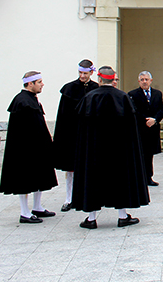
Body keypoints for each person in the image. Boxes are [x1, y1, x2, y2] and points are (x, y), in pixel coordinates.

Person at [72, 66, 149, 229]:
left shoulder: (89, 98)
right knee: (120, 179)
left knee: (92, 180)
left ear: (99, 79)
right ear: (113, 79)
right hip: (118, 150)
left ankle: (91, 219)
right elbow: (131, 128)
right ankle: (122, 216)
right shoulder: (123, 97)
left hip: (93, 150)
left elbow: (81, 128)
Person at [0, 71, 58, 224]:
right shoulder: (22, 101)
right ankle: (25, 212)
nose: (42, 84)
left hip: (37, 147)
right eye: (39, 82)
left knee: (39, 176)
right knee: (24, 180)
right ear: (30, 84)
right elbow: (23, 131)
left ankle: (37, 207)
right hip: (25, 150)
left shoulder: (31, 99)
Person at [52, 60, 98, 212]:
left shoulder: (95, 88)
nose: (82, 76)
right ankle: (69, 198)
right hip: (72, 134)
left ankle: (89, 196)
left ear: (91, 73)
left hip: (89, 133)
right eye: (80, 73)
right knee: (70, 168)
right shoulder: (69, 89)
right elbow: (63, 115)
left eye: (85, 73)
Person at [127, 71, 163, 185]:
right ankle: (139, 178)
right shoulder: (132, 94)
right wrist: (146, 120)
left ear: (151, 81)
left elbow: (161, 109)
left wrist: (154, 120)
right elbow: (134, 111)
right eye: (142, 79)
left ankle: (149, 177)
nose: (144, 82)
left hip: (152, 130)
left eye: (146, 79)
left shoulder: (157, 94)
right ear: (139, 81)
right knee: (140, 154)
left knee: (149, 155)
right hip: (140, 129)